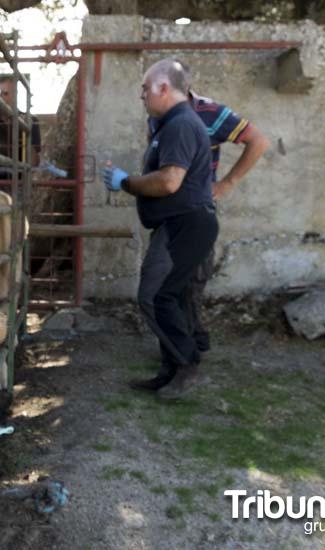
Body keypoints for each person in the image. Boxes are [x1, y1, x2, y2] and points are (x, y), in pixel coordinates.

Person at [101, 58, 218, 399]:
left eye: (145, 89)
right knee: (173, 296)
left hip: (185, 223)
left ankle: (186, 366)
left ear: (164, 89)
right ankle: (171, 370)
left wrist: (127, 182)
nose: (142, 96)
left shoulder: (180, 124)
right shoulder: (172, 125)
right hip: (181, 223)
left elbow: (169, 182)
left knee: (154, 296)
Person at [149, 61, 270, 354]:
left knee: (188, 285)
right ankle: (181, 351)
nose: (144, 96)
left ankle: (187, 356)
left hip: (195, 215)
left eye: (147, 89)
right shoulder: (157, 117)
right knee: (166, 285)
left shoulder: (211, 112)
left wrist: (227, 183)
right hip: (168, 215)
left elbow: (258, 141)